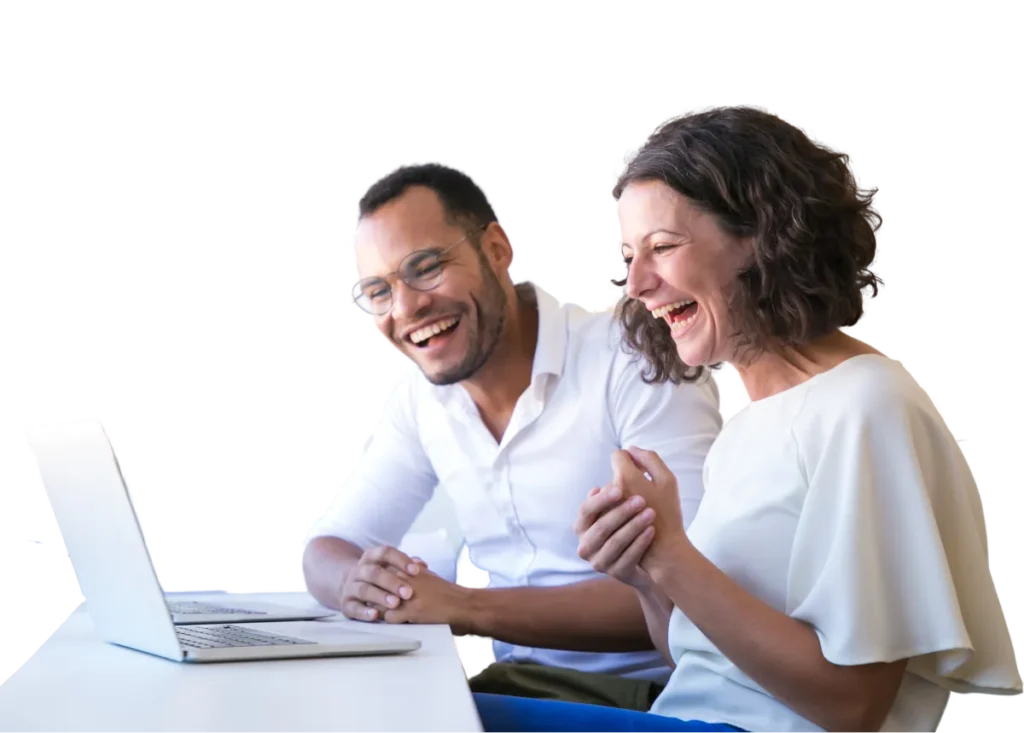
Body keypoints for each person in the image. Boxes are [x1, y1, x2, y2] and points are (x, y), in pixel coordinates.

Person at [473, 104, 1024, 732]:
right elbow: (698, 663)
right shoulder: (752, 417)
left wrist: (675, 560)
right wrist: (649, 572)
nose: (637, 283)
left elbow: (852, 707)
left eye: (663, 247)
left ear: (763, 237)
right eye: (628, 255)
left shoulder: (865, 406)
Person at [302, 160, 724, 710]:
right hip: (523, 690)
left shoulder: (634, 354)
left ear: (498, 250)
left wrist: (463, 606)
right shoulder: (421, 395)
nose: (405, 308)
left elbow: (698, 590)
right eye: (378, 291)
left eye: (426, 266)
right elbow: (324, 549)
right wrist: (362, 585)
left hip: (656, 697)